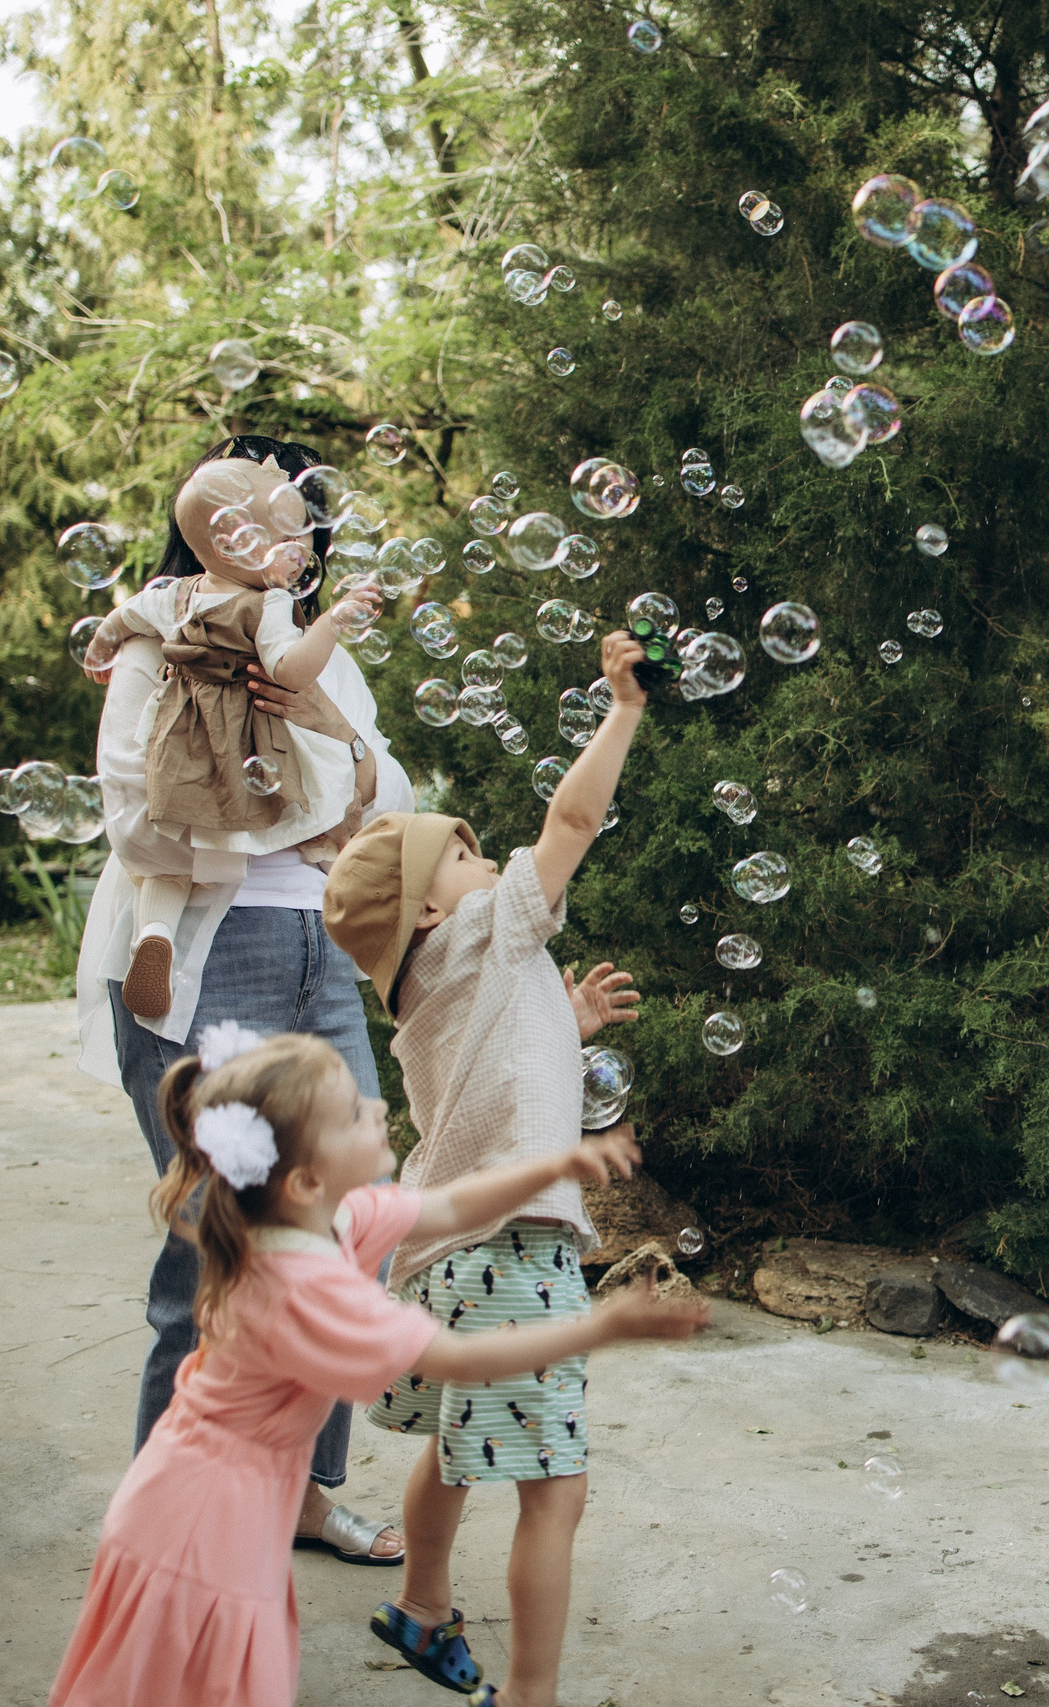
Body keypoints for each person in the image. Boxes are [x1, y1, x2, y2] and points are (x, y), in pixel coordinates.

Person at [47, 1024, 707, 1707]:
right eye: (353, 1112)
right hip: (205, 1523)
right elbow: (457, 1357)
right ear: (304, 1177)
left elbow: (449, 1204)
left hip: (202, 1502)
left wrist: (553, 1166)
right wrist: (603, 1325)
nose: (377, 1108)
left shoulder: (330, 1217)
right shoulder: (303, 1284)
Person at [74, 433, 416, 1566]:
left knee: (341, 1224)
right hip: (204, 960)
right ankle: (167, 1516)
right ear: (213, 531)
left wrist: (318, 732)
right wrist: (280, 798)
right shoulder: (162, 634)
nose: (288, 529)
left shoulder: (307, 640)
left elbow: (391, 787)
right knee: (216, 1245)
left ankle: (305, 1494)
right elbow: (132, 806)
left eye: (297, 513)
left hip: (317, 947)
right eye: (261, 509)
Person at [320, 628, 652, 1707]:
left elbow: (492, 1067)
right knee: (555, 1489)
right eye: (465, 857)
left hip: (440, 1261)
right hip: (516, 1258)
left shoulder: (423, 998)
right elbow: (573, 820)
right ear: (430, 906)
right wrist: (624, 710)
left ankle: (418, 1607)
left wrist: (565, 1014)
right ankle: (536, 1693)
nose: (491, 862)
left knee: (458, 1451)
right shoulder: (495, 931)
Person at [80, 455, 383, 1018]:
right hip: (221, 948)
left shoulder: (176, 604)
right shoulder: (264, 609)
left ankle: (156, 930)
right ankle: (163, 937)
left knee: (185, 840)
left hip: (320, 943)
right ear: (232, 543)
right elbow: (288, 671)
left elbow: (124, 615)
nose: (305, 548)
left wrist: (98, 646)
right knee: (309, 820)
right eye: (290, 533)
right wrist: (333, 621)